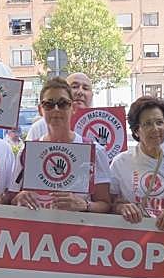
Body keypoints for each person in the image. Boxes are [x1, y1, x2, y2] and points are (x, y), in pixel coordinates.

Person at [12, 78, 112, 213]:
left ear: (73, 108)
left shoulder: (94, 151)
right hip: (36, 232)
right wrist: (19, 197)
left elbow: (106, 205)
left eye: (63, 103)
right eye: (49, 104)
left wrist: (84, 205)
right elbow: (11, 198)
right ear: (40, 110)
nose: (56, 109)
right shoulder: (27, 151)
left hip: (76, 232)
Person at [110, 97, 164, 230]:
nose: (155, 129)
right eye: (148, 124)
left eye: (159, 122)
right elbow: (109, 204)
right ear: (136, 130)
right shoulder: (121, 162)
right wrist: (121, 208)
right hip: (130, 239)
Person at [26, 72, 93, 140]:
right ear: (40, 109)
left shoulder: (97, 147)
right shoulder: (38, 128)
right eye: (74, 87)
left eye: (85, 88)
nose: (80, 92)